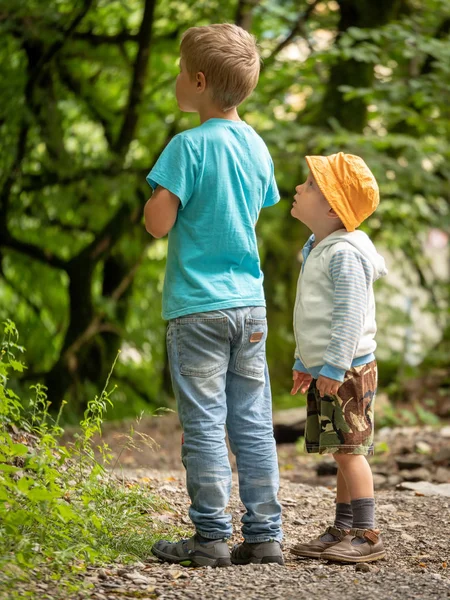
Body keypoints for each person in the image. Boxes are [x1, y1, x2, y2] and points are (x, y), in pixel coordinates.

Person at [143, 23, 283, 568]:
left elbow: (158, 225)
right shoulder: (255, 144)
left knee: (204, 422)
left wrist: (155, 193)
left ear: (198, 81)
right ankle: (265, 535)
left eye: (180, 71)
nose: (176, 78)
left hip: (197, 308)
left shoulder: (186, 146)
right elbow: (258, 204)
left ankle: (210, 538)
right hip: (249, 305)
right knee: (252, 419)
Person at [289, 152, 387, 563]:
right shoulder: (319, 246)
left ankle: (366, 533)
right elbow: (312, 312)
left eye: (309, 185)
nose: (297, 187)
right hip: (330, 368)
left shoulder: (344, 253)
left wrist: (331, 366)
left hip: (346, 370)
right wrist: (302, 361)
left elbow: (349, 316)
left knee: (350, 450)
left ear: (332, 206)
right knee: (342, 450)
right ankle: (343, 528)